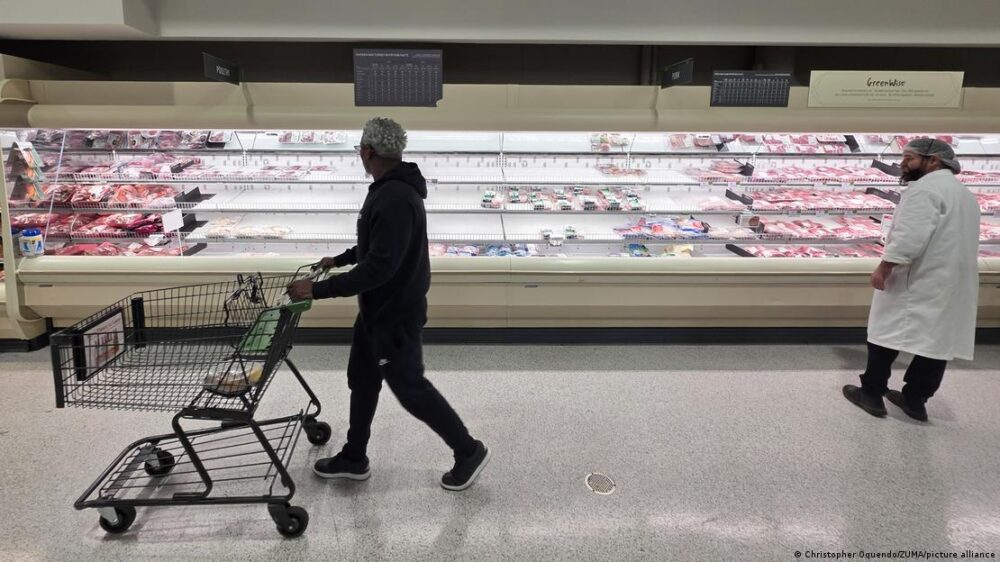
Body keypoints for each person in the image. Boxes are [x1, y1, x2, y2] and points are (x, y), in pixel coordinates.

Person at [287, 117, 490, 490]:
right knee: (362, 379)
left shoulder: (395, 197)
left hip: (394, 315)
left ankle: (468, 450)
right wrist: (341, 259)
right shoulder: (387, 188)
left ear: (368, 151)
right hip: (376, 312)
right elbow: (376, 246)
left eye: (359, 151)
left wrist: (317, 291)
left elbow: (380, 267)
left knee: (410, 388)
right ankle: (354, 456)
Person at [843, 138, 980, 422]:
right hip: (951, 278)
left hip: (919, 275)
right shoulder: (963, 193)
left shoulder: (925, 190)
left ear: (934, 161)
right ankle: (915, 399)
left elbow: (909, 237)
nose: (903, 163)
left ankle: (871, 393)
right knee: (936, 340)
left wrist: (884, 268)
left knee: (886, 333)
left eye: (910, 158)